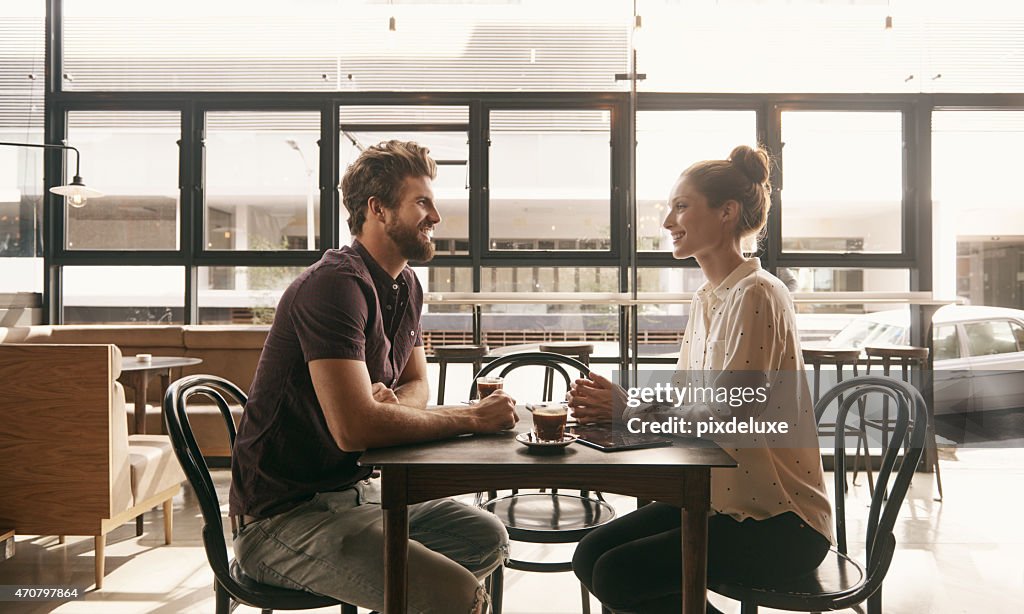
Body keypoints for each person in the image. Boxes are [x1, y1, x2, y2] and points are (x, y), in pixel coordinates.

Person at [229, 140, 516, 613]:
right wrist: (473, 417)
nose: (436, 217)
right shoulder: (334, 285)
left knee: (487, 537)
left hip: (355, 494)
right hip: (282, 519)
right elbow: (355, 430)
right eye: (421, 201)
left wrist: (389, 409)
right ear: (378, 209)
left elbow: (417, 385)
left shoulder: (406, 285)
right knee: (455, 595)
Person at [567, 145, 833, 613]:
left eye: (681, 206)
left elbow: (730, 414)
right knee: (590, 555)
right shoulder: (708, 299)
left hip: (781, 521)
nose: (668, 221)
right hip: (718, 501)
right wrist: (625, 406)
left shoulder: (758, 294)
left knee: (618, 574)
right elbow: (683, 397)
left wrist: (629, 410)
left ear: (726, 212)